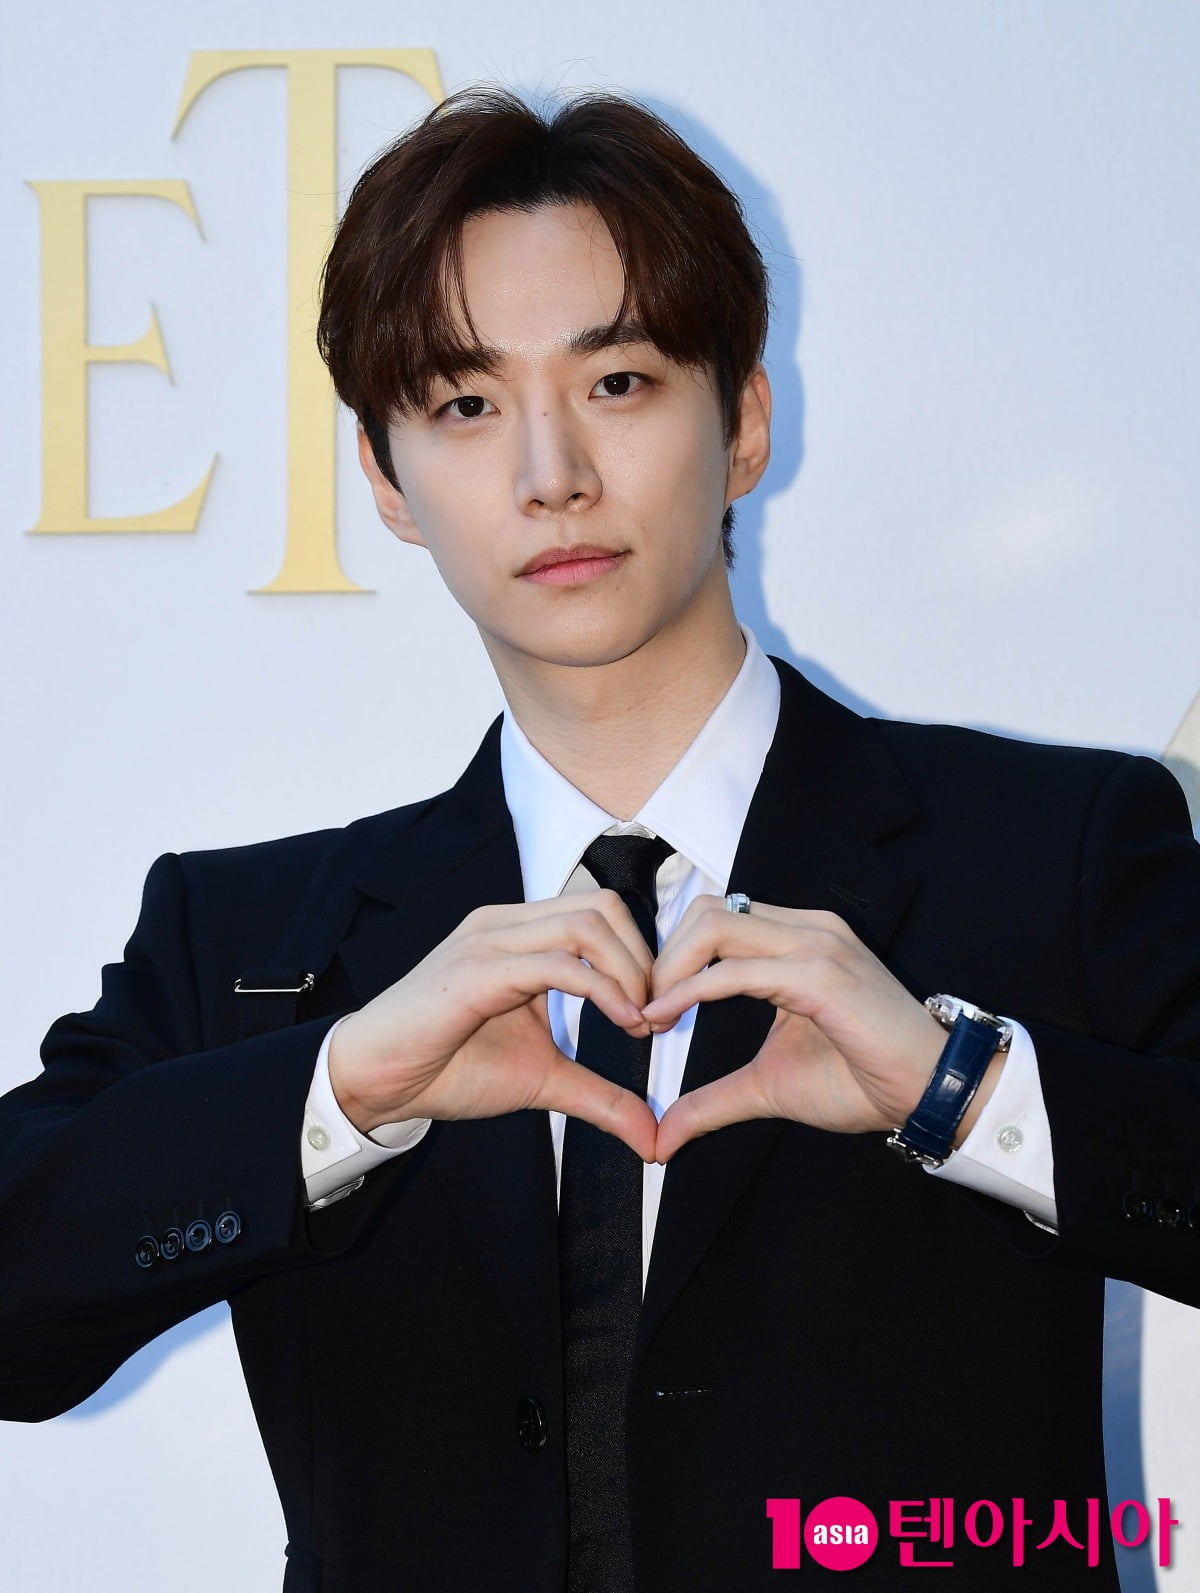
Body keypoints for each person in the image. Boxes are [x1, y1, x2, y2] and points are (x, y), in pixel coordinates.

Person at [2, 84, 1199, 1592]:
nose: (550, 471)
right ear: (385, 480)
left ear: (744, 420)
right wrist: (337, 1093)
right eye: (465, 405)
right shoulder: (247, 938)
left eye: (618, 381)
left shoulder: (1060, 852)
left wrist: (961, 1090)